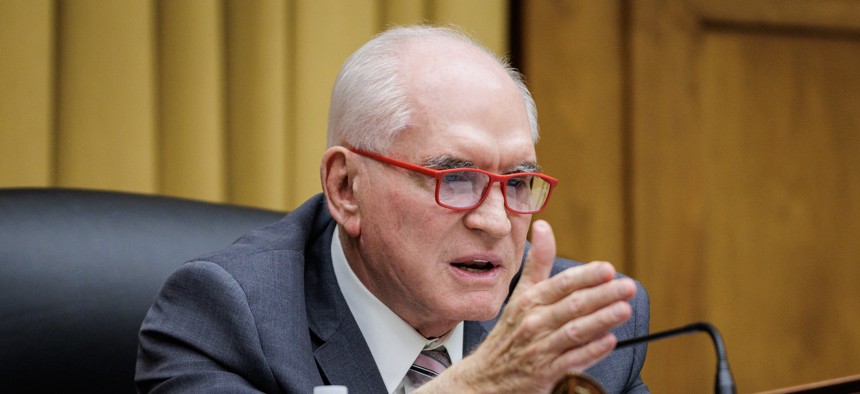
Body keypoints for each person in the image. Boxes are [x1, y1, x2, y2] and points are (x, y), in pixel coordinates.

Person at [136, 25, 649, 393]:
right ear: (346, 188)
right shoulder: (225, 319)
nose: (495, 222)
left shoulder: (582, 329)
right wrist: (475, 387)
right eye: (456, 178)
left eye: (518, 183)